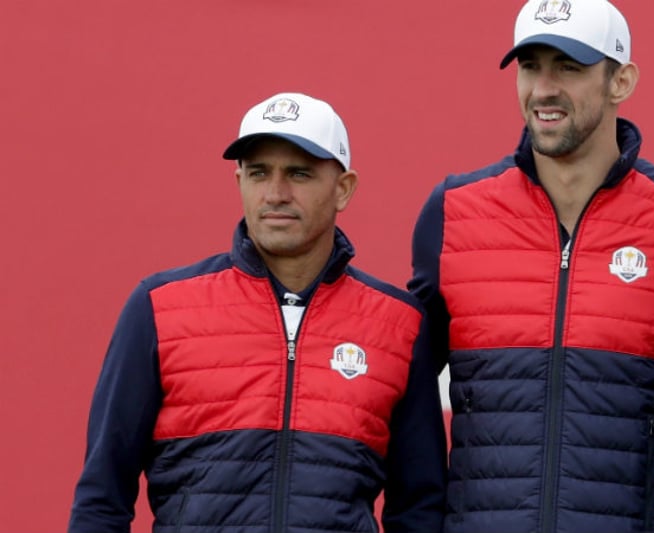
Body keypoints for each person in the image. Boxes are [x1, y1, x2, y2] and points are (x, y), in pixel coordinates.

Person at [407, 1, 654, 531]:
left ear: (622, 81)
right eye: (530, 66)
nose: (543, 88)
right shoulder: (453, 211)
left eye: (568, 66)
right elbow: (396, 398)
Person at [69, 92, 447, 533]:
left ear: (343, 189)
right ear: (239, 183)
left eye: (299, 173)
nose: (275, 193)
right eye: (258, 173)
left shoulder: (398, 324)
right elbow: (102, 496)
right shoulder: (159, 307)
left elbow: (419, 506)